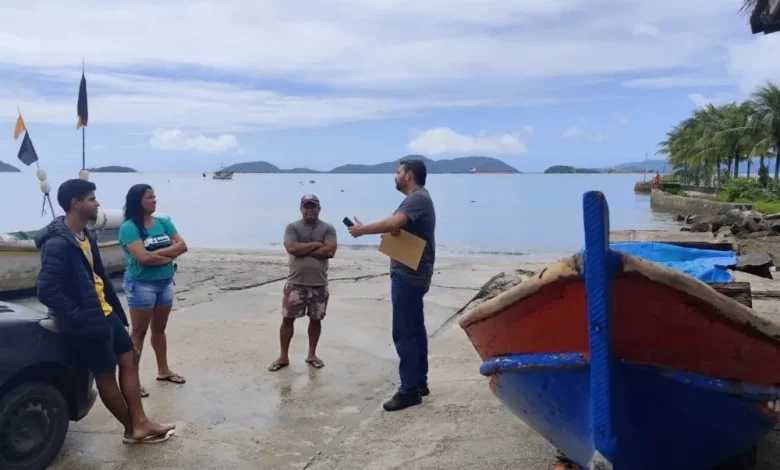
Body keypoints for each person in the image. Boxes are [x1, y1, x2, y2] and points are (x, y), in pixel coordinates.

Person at [35, 179, 176, 443]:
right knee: (105, 375)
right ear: (75, 203)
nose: (97, 203)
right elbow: (47, 290)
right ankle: (132, 428)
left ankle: (140, 423)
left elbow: (98, 278)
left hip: (105, 312)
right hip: (88, 320)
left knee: (129, 358)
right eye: (91, 198)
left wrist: (117, 316)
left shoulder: (84, 235)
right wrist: (79, 317)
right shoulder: (57, 244)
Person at [348, 159, 436, 412]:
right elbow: (397, 222)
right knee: (415, 329)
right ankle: (419, 382)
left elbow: (393, 221)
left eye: (397, 172)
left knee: (404, 331)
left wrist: (364, 230)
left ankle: (409, 390)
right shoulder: (418, 199)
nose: (394, 176)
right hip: (413, 271)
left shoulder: (418, 198)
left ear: (408, 174)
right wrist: (396, 226)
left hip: (409, 274)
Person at [119, 184, 188, 397]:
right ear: (138, 201)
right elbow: (143, 258)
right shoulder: (129, 228)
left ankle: (163, 370)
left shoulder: (163, 222)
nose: (154, 200)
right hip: (142, 285)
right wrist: (169, 255)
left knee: (160, 328)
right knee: (138, 332)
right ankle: (132, 380)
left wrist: (159, 254)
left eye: (155, 197)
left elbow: (183, 245)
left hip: (165, 282)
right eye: (150, 197)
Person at [268, 194, 337, 372]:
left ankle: (312, 355)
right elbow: (291, 248)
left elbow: (330, 251)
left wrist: (303, 249)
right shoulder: (292, 227)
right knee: (287, 319)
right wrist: (316, 244)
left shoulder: (328, 228)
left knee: (315, 319)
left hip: (319, 284)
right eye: (306, 206)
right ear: (301, 209)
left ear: (319, 209)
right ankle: (283, 356)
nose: (310, 210)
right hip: (295, 283)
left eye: (313, 206)